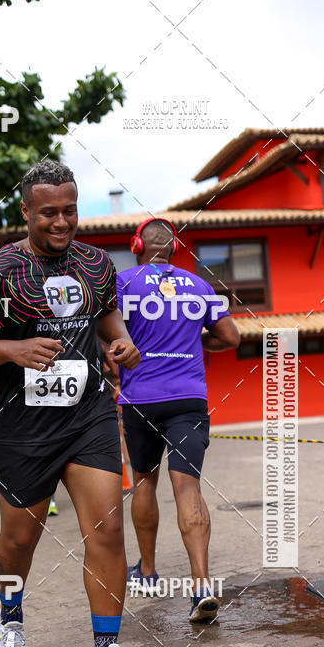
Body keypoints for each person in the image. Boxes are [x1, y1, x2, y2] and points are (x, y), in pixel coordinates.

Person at [0, 159, 144, 647]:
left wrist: (120, 342)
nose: (61, 222)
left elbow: (108, 318)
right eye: (49, 213)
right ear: (26, 211)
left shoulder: (97, 264)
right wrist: (13, 348)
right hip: (24, 425)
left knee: (106, 531)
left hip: (90, 416)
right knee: (19, 539)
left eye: (70, 211)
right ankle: (11, 616)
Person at [117, 218, 240, 622]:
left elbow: (106, 333)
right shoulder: (200, 286)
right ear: (174, 249)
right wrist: (193, 340)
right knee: (188, 486)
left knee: (144, 481)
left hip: (140, 400)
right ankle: (201, 587)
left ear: (138, 245)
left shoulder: (123, 283)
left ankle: (148, 572)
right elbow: (231, 337)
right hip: (188, 399)